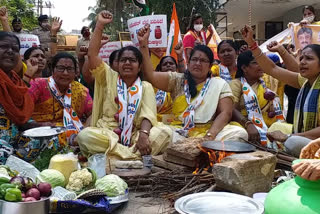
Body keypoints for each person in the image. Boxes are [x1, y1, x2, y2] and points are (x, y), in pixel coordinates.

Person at [76, 11, 172, 159]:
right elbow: (92, 55)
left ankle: (115, 157)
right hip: (108, 133)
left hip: (136, 134)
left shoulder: (145, 86)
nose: (127, 63)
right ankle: (133, 156)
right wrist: (100, 25)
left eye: (132, 60)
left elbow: (148, 115)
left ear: (139, 66)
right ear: (117, 64)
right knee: (85, 136)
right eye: (123, 60)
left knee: (165, 133)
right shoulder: (108, 77)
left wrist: (144, 135)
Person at [139, 23, 248, 142]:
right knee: (156, 135)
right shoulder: (177, 80)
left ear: (210, 66)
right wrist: (144, 44)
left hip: (209, 130)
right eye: (194, 60)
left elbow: (225, 113)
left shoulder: (219, 84)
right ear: (189, 63)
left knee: (239, 133)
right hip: (178, 130)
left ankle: (205, 147)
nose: (197, 63)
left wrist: (209, 136)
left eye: (202, 60)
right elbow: (150, 75)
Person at [241, 24, 320, 157]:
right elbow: (272, 69)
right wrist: (251, 43)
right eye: (301, 58)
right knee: (276, 128)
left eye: (309, 58)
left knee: (292, 142)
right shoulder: (305, 81)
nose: (302, 62)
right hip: (306, 137)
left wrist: (290, 136)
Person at [28, 52, 93, 147]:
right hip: (43, 135)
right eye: (61, 68)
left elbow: (92, 113)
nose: (65, 73)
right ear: (52, 70)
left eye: (70, 69)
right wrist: (37, 125)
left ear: (76, 72)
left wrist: (83, 133)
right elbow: (21, 111)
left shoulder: (80, 90)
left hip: (76, 136)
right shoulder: (38, 85)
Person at [230, 50, 285, 147]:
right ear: (244, 68)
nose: (260, 65)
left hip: (271, 126)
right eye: (255, 63)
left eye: (261, 62)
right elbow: (231, 109)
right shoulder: (236, 84)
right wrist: (248, 124)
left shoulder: (269, 82)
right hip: (245, 126)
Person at [0, 32, 34, 164]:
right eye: (4, 47)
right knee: (4, 152)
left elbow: (22, 119)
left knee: (49, 139)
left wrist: (41, 126)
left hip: (15, 140)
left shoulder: (16, 82)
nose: (10, 52)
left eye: (15, 49)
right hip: (3, 146)